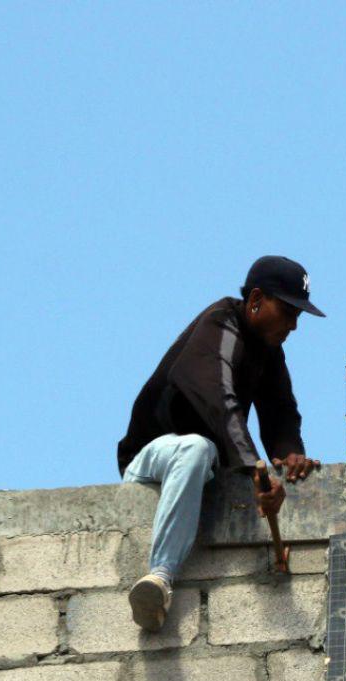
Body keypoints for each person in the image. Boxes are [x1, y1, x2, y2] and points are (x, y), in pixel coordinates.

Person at [117, 255, 324, 631]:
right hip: (152, 462)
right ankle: (160, 578)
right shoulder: (220, 325)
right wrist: (257, 472)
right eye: (289, 311)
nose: (294, 325)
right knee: (196, 447)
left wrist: (290, 454)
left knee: (204, 452)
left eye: (299, 316)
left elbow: (280, 411)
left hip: (204, 469)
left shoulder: (269, 349)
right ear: (257, 299)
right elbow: (221, 402)